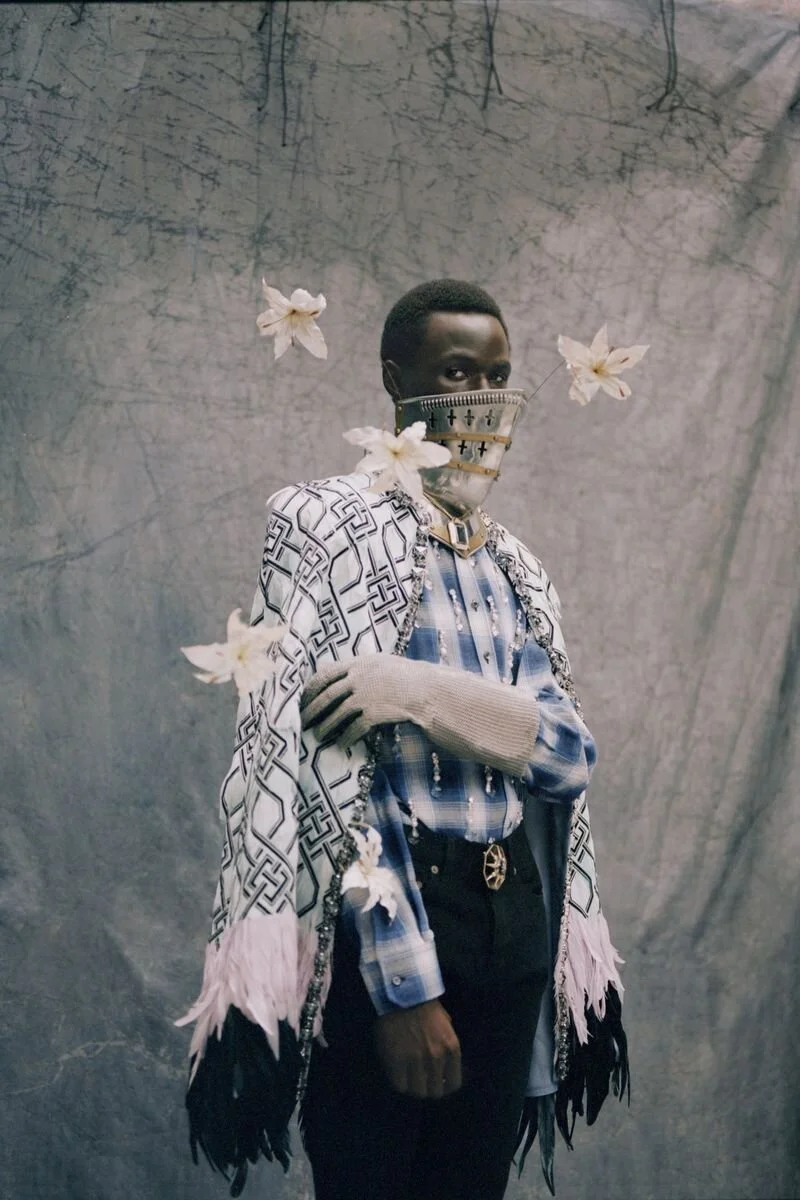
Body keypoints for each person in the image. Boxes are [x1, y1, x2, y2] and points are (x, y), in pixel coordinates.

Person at [178, 280, 628, 1200]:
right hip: (396, 912)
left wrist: (418, 691)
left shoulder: (514, 568)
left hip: (511, 925)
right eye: (457, 373)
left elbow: (568, 759)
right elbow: (333, 785)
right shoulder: (326, 526)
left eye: (498, 375)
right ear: (396, 379)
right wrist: (403, 986)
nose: (482, 398)